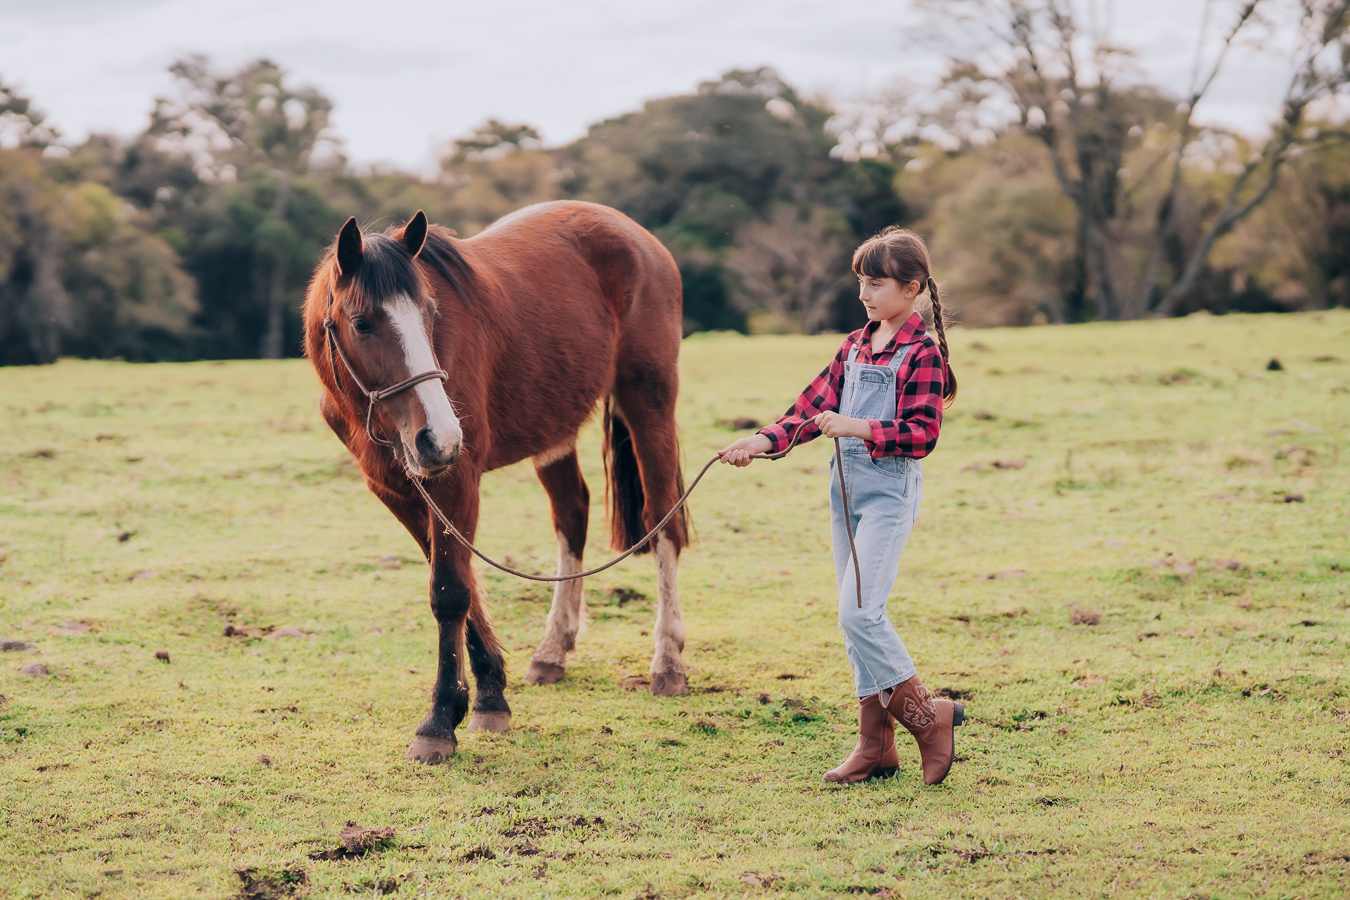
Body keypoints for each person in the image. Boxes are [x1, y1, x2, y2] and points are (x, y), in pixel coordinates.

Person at [718, 227, 963, 786]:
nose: (864, 294)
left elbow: (923, 433)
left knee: (859, 613)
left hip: (889, 496)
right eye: (861, 283)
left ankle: (930, 720)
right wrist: (759, 442)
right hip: (844, 496)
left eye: (876, 284)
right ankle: (875, 747)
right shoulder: (854, 345)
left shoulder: (922, 352)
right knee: (857, 621)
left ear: (912, 288)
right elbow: (809, 409)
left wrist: (858, 426)